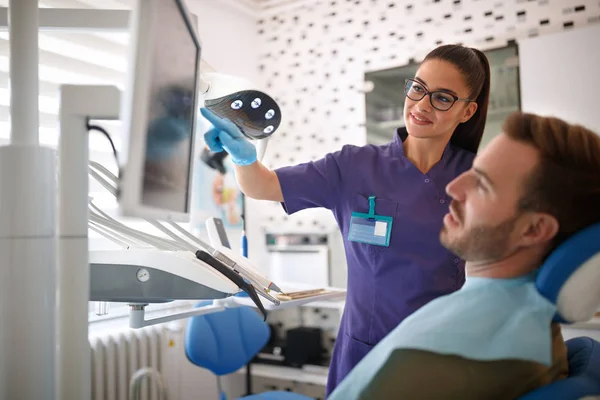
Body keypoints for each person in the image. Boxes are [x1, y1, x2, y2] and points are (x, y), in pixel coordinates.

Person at [201, 44, 491, 394]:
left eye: (442, 98)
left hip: (441, 354)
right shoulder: (354, 165)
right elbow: (264, 186)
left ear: (467, 111)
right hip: (364, 354)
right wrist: (243, 156)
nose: (422, 105)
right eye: (418, 88)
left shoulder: (478, 177)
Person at [327, 111, 600, 399]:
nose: (453, 188)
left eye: (482, 184)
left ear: (534, 229)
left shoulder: (430, 360)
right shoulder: (532, 324)